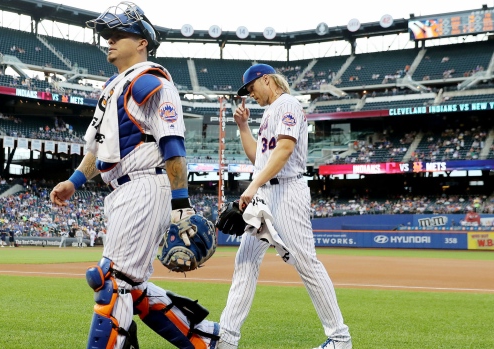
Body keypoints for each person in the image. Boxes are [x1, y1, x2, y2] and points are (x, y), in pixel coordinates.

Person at [49, 2, 220, 348]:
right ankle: (206, 340)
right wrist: (74, 182)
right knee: (133, 287)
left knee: (112, 282)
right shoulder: (113, 87)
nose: (109, 41)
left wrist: (180, 203)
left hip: (145, 183)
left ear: (142, 42)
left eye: (118, 35)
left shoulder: (150, 82)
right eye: (107, 36)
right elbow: (99, 151)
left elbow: (173, 145)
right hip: (121, 190)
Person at [217, 64, 352, 349]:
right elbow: (260, 158)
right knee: (245, 262)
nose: (250, 95)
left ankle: (340, 339)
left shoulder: (287, 104)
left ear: (266, 80)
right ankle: (226, 339)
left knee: (306, 263)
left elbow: (285, 149)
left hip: (287, 192)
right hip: (265, 194)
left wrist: (252, 187)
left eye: (251, 88)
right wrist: (243, 127)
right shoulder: (268, 112)